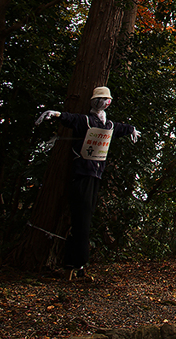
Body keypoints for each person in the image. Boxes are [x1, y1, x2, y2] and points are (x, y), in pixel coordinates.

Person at [36, 86, 139, 280]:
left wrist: (132, 129)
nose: (102, 103)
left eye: (105, 100)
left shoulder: (107, 125)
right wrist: (57, 114)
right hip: (82, 173)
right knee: (81, 219)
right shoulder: (86, 121)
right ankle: (75, 264)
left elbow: (119, 127)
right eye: (100, 100)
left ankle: (76, 264)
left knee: (84, 219)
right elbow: (71, 118)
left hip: (95, 175)